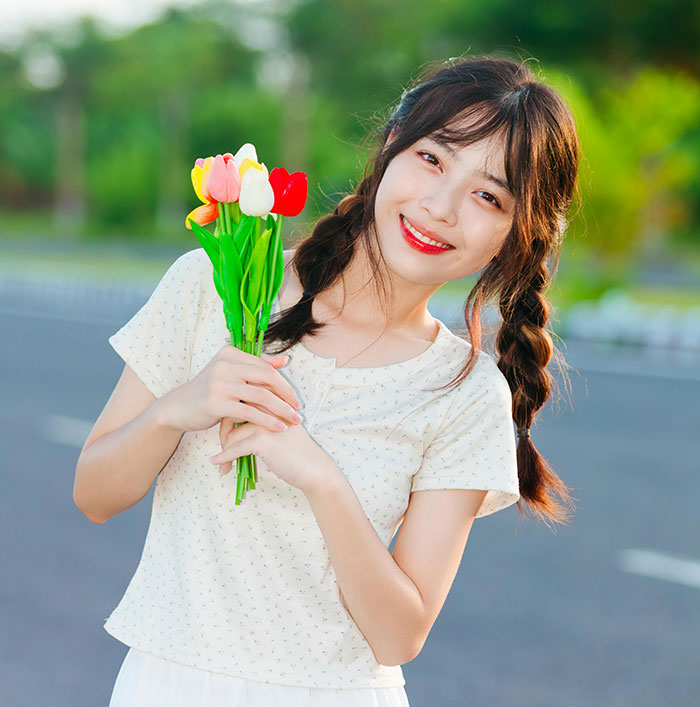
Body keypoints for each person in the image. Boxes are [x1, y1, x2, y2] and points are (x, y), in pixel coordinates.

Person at [73, 53, 579, 706]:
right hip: (166, 683)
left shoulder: (466, 392)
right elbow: (95, 494)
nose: (441, 207)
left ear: (517, 234)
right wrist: (177, 408)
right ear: (391, 144)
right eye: (432, 158)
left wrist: (321, 477)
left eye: (489, 195)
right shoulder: (214, 289)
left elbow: (399, 635)